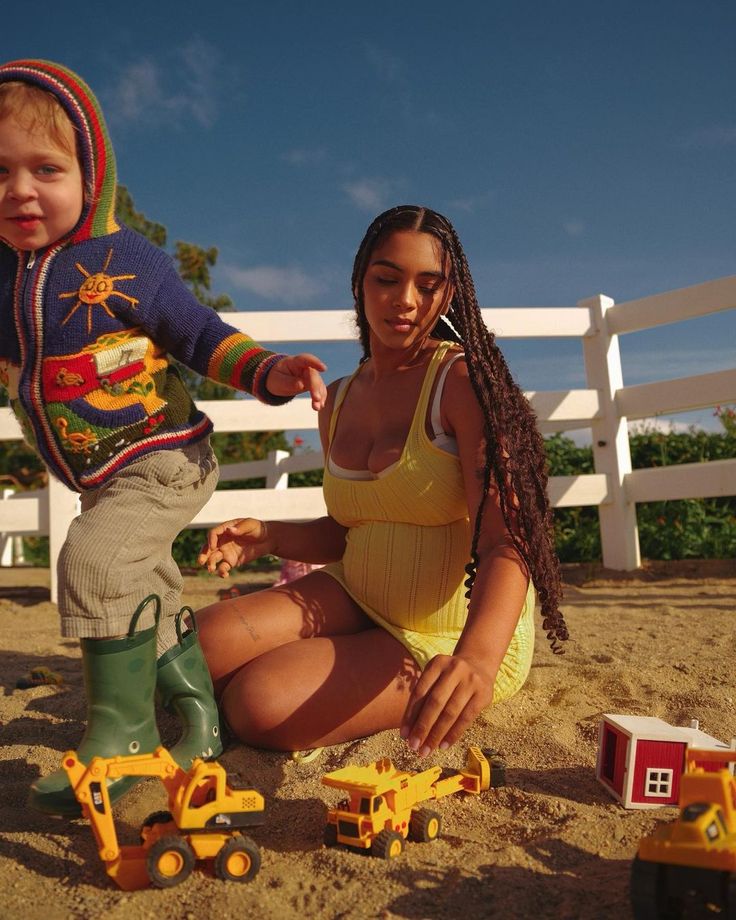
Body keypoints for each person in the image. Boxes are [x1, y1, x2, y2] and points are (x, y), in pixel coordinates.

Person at [0, 59, 327, 815]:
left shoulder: (127, 261)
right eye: (1, 171)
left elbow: (199, 332)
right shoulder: (5, 282)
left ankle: (118, 736)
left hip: (166, 457)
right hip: (105, 475)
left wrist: (268, 370)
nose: (20, 189)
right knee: (142, 586)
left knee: (90, 559)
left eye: (45, 168)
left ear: (93, 177)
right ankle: (198, 718)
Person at [197, 204, 568, 758]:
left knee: (259, 703)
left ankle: (326, 671)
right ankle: (326, 658)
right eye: (387, 279)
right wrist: (270, 535)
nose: (406, 300)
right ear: (360, 283)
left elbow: (508, 539)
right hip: (357, 590)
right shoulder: (338, 398)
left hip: (450, 633)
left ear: (450, 294)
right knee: (191, 648)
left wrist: (477, 660)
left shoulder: (465, 382)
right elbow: (353, 529)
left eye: (428, 284)